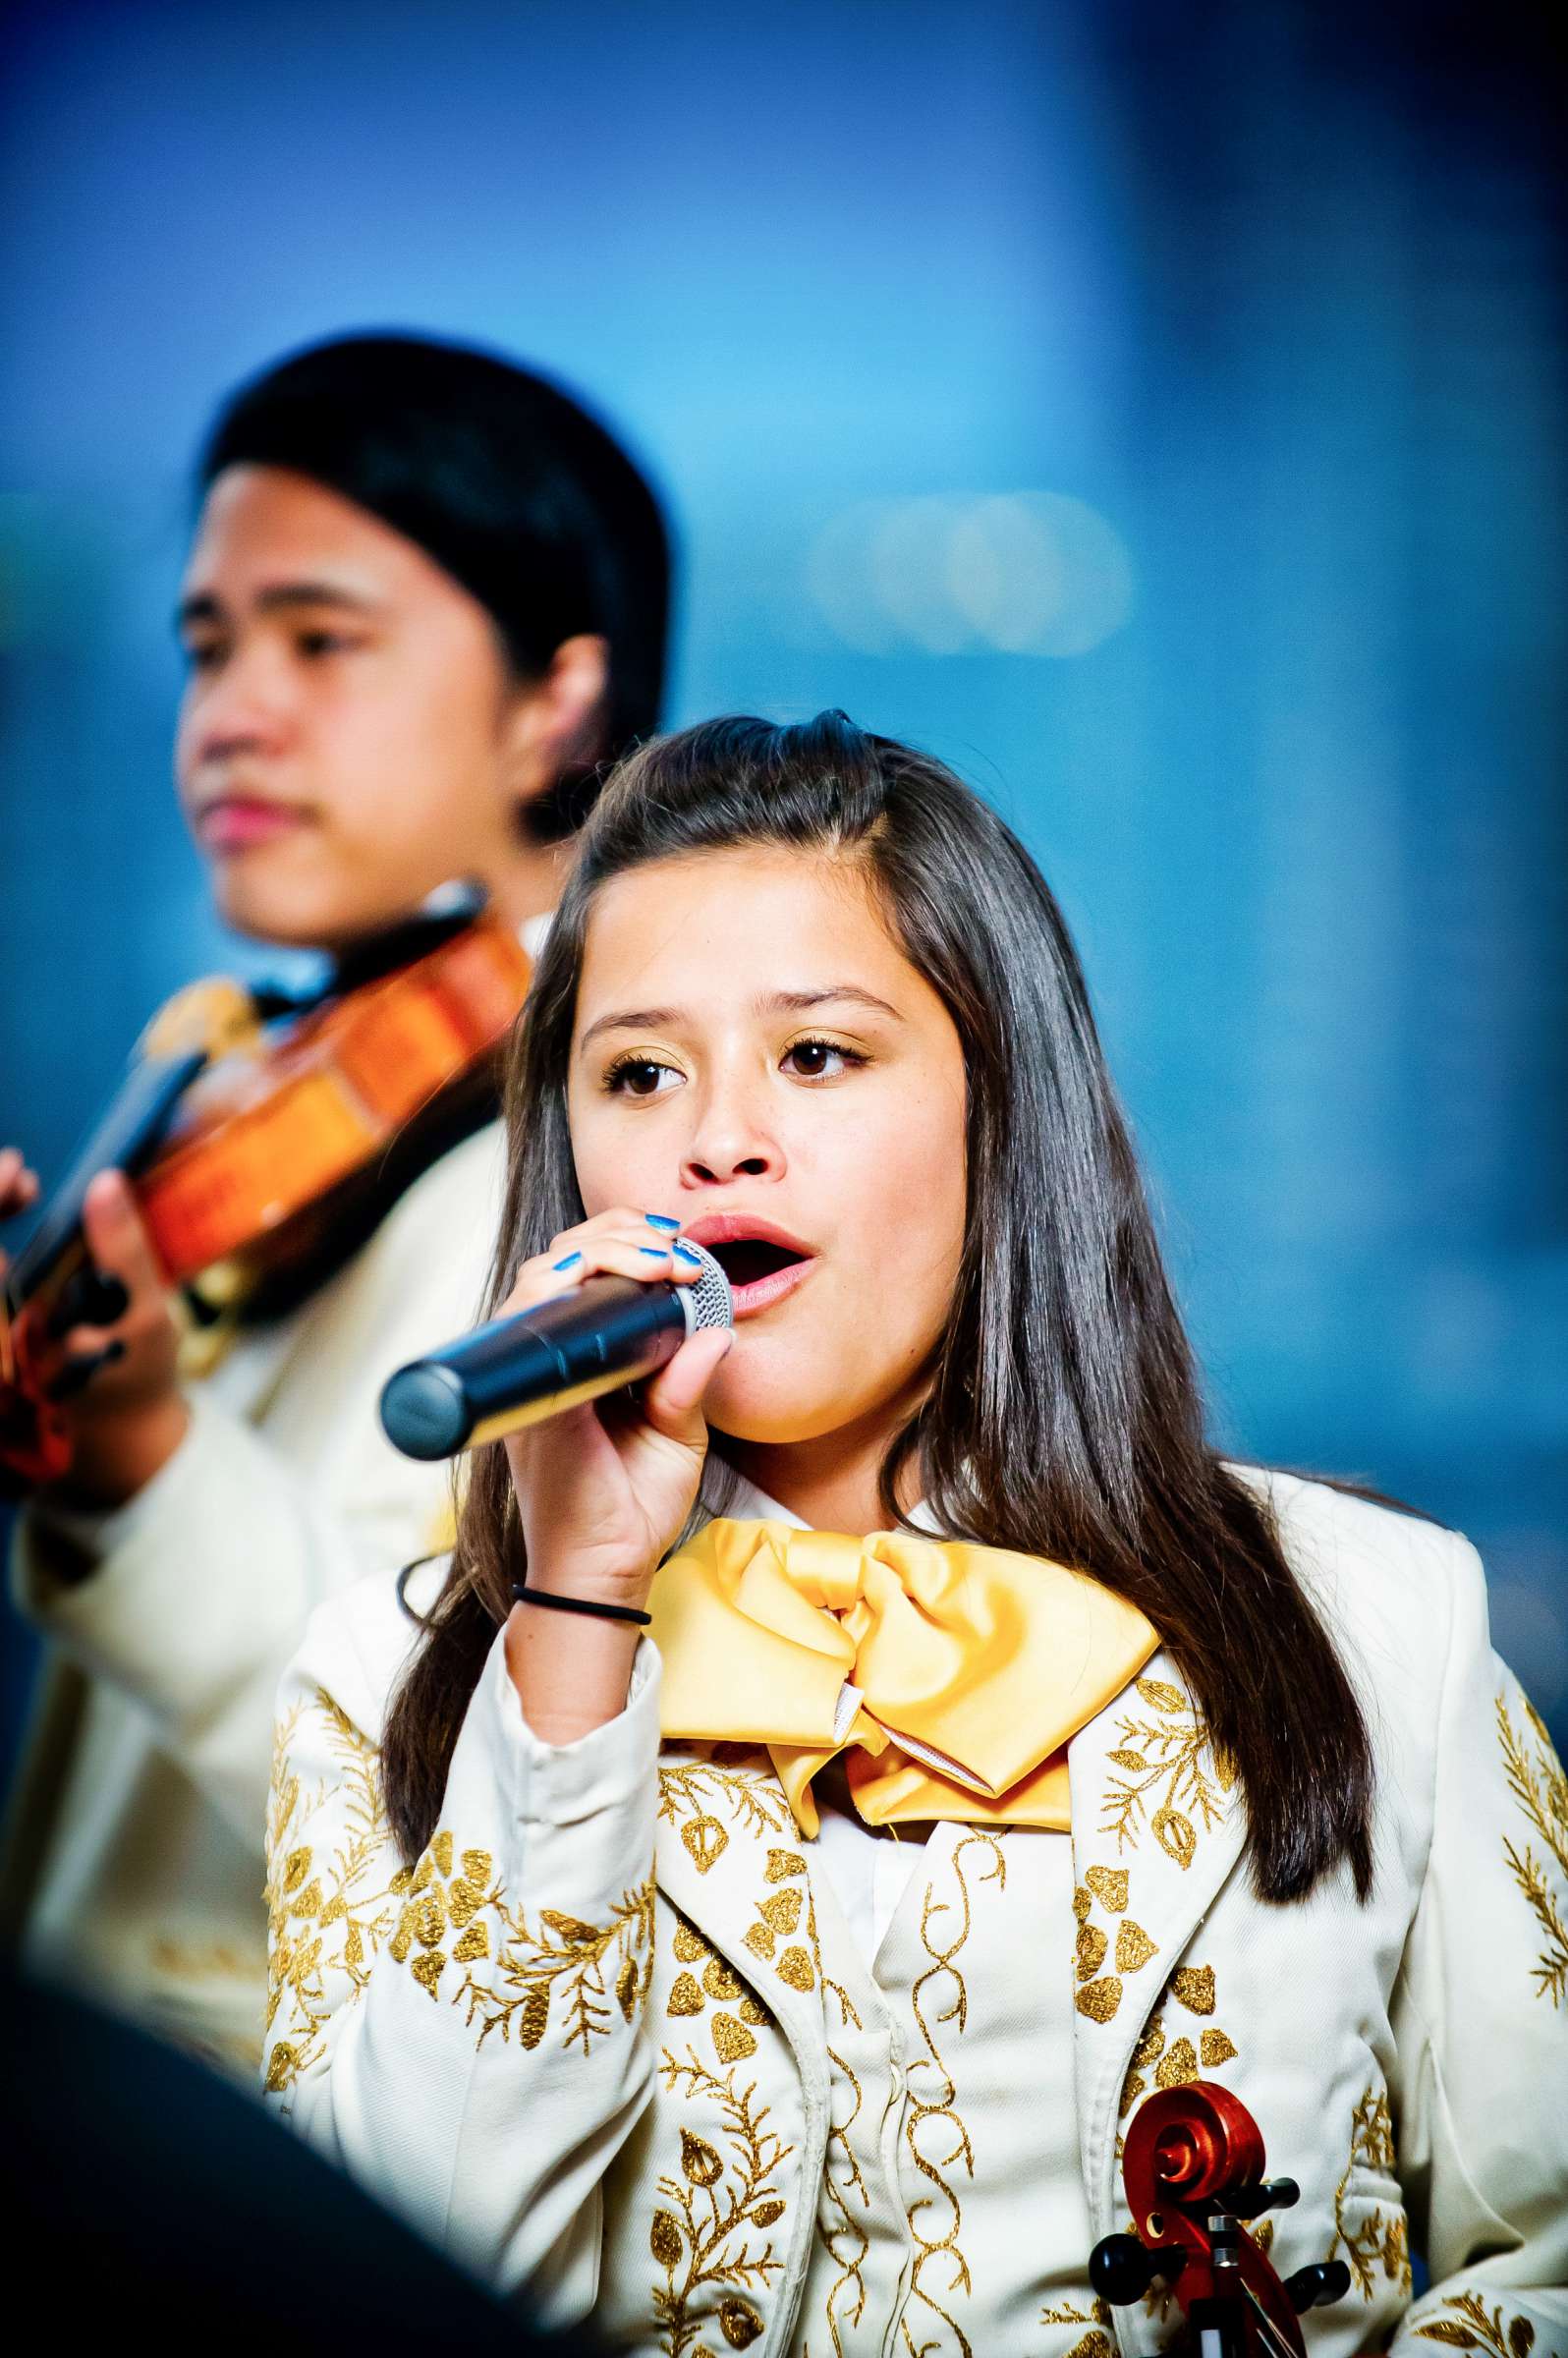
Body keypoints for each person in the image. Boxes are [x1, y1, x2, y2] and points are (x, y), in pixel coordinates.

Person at [264, 714, 1565, 2355]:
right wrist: (576, 1613)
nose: (717, 1136)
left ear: (999, 1108)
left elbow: (1548, 2267)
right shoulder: (383, 1682)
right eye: (639, 1071)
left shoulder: (1385, 1622)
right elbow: (380, 2300)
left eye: (818, 1055)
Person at [0, 332, 671, 2072]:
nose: (232, 711)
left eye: (322, 641)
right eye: (208, 648)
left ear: (560, 704)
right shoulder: (278, 1075)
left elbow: (450, 1799)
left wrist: (140, 1449)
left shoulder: (608, 1172)